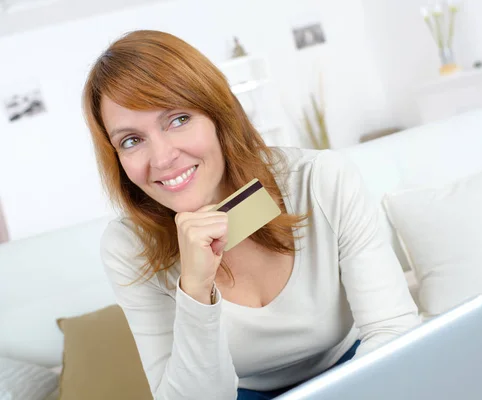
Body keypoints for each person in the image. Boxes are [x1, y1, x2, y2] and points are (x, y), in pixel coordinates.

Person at [83, 30, 420, 400]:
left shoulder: (321, 180)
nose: (162, 158)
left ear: (218, 114)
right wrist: (195, 289)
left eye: (178, 119)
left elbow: (394, 332)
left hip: (360, 367)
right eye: (131, 140)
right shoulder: (128, 246)